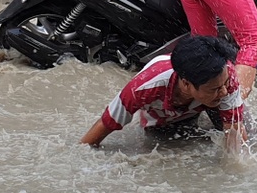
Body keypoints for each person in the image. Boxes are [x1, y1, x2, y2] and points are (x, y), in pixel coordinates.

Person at [80, 35, 247, 154]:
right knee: (165, 147)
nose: (224, 91)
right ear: (187, 84)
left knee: (249, 133)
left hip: (207, 104)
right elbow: (106, 124)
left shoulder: (226, 77)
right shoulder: (143, 89)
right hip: (163, 117)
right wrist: (83, 156)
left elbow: (237, 135)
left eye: (224, 85)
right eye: (216, 89)